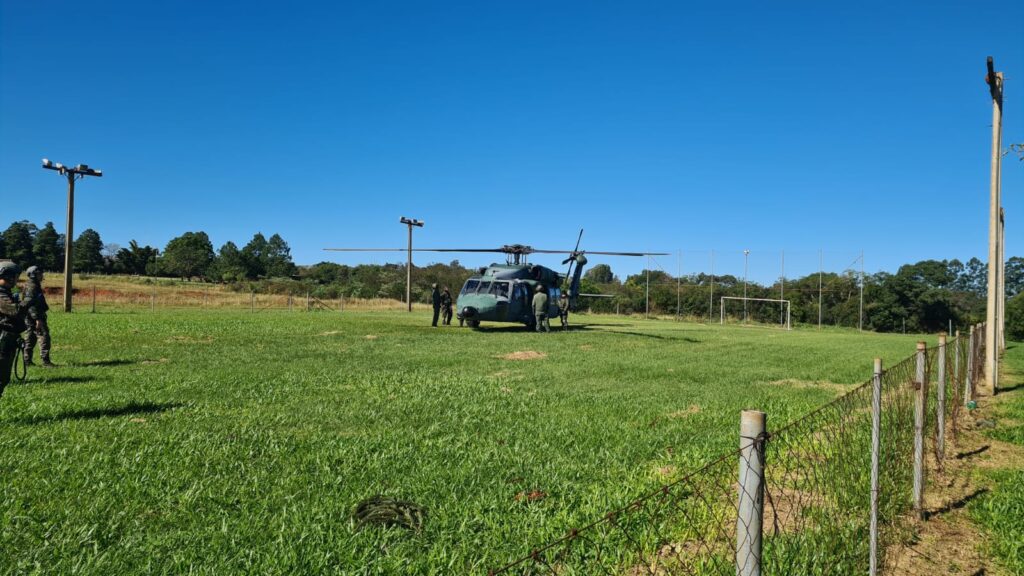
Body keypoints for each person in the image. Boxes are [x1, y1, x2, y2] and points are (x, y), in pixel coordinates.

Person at [0, 261, 32, 401]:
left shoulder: (6, 293)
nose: (16, 280)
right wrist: (27, 301)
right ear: (8, 276)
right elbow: (14, 311)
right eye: (15, 276)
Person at [22, 266, 53, 367]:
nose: (42, 275)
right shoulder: (32, 287)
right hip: (34, 317)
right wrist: (37, 319)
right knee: (44, 337)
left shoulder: (34, 285)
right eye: (40, 273)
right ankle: (46, 361)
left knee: (30, 338)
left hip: (31, 316)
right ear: (34, 274)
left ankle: (27, 361)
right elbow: (31, 304)